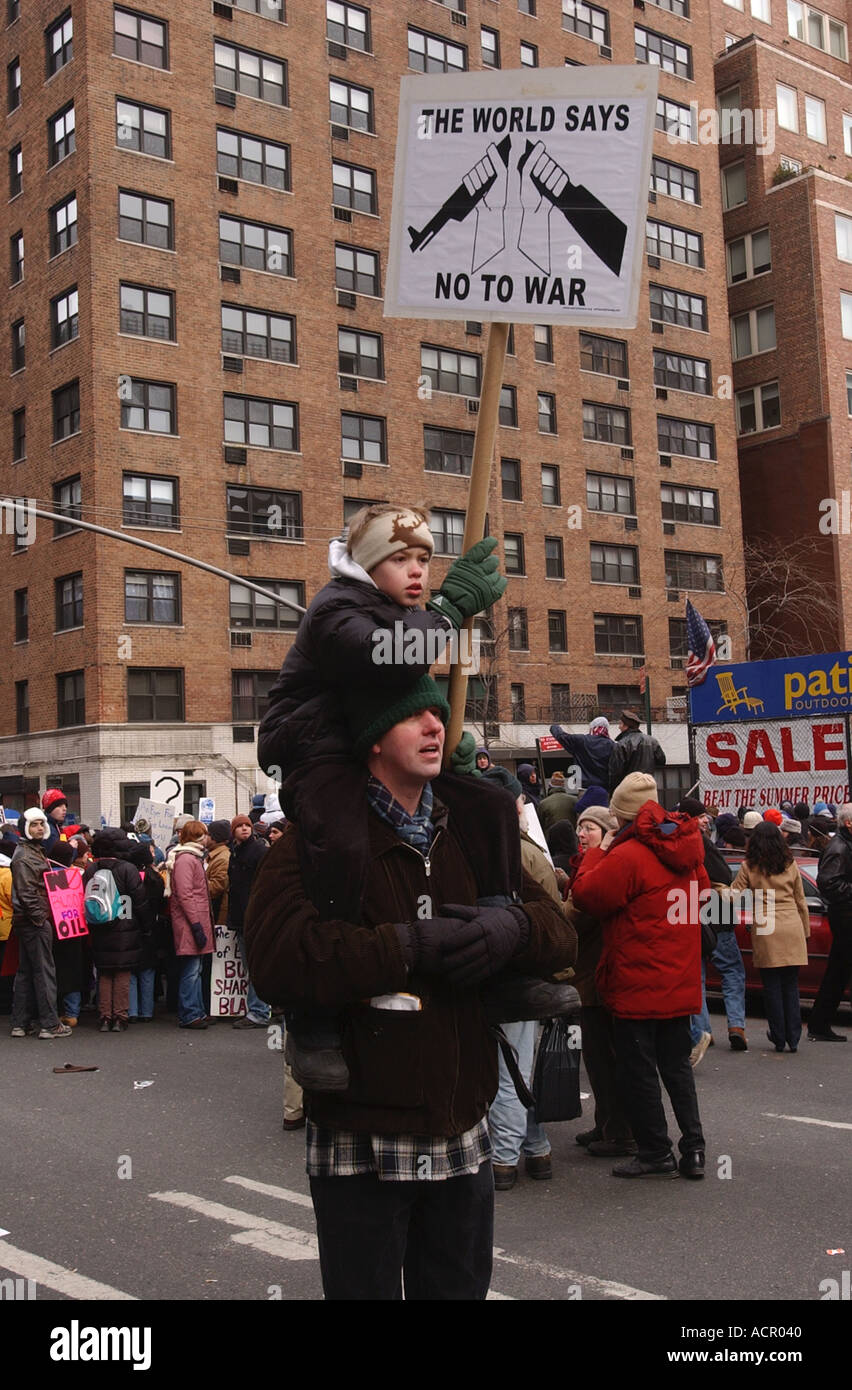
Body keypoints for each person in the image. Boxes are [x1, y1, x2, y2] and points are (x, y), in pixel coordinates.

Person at [245, 676, 574, 1300]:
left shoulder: (475, 828)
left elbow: (561, 935)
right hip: (361, 1135)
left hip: (462, 1124)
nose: (434, 726)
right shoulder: (314, 844)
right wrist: (406, 946)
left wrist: (512, 928)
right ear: (371, 738)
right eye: (411, 716)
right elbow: (277, 959)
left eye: (436, 712)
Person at [256, 503, 506, 1086]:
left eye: (424, 558)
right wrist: (448, 611)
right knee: (340, 842)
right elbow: (389, 657)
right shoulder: (336, 606)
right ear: (369, 565)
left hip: (373, 741)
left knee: (489, 804)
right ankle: (312, 1019)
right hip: (319, 748)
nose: (417, 571)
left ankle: (500, 944)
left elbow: (409, 683)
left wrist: (444, 737)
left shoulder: (398, 610)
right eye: (400, 558)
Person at [571, 773, 707, 1180]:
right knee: (677, 1068)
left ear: (622, 815)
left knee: (639, 1070)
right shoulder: (688, 851)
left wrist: (597, 853)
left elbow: (587, 897)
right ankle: (694, 1149)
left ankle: (655, 1151)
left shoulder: (629, 856)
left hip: (636, 982)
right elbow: (699, 900)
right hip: (678, 979)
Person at [489, 778, 578, 1192]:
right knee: (521, 1068)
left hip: (513, 975)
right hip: (530, 974)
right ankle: (537, 1149)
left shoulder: (504, 851)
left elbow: (548, 919)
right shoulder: (527, 849)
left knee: (509, 1072)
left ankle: (504, 1160)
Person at [563, 804, 636, 1159]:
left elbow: (577, 915)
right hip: (589, 975)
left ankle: (620, 1132)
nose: (581, 834)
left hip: (598, 978)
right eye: (579, 827)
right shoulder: (586, 867)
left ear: (607, 834)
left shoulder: (602, 870)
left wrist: (562, 901)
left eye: (589, 828)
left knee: (605, 1058)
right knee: (596, 1059)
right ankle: (605, 1122)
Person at [728, 822, 809, 1053]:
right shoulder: (790, 864)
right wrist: (805, 931)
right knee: (791, 986)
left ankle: (779, 1036)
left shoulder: (749, 866)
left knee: (772, 986)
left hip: (766, 927)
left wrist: (714, 892)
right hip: (791, 924)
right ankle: (794, 1038)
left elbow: (734, 895)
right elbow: (801, 900)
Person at [677, 797, 748, 1061]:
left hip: (689, 914)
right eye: (701, 816)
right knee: (731, 970)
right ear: (690, 819)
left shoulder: (674, 842)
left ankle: (703, 1030)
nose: (706, 819)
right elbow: (722, 875)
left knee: (699, 977)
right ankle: (736, 1025)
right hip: (715, 914)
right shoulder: (701, 843)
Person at [9, 808, 71, 1039]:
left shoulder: (30, 852)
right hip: (33, 920)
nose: (39, 828)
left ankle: (21, 1023)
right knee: (44, 972)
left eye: (41, 824)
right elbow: (27, 894)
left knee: (26, 971)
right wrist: (40, 918)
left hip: (28, 920)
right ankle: (49, 1024)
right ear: (25, 827)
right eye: (34, 824)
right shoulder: (25, 856)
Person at [83, 828, 149, 1032]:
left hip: (99, 925)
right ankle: (120, 1017)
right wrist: (145, 926)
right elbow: (139, 901)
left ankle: (104, 1017)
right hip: (125, 925)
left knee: (104, 972)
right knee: (122, 972)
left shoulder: (90, 870)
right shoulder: (127, 869)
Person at [810, 803, 852, 1041]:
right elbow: (829, 883)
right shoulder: (838, 848)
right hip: (845, 915)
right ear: (848, 823)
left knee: (838, 971)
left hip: (846, 914)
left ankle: (819, 1022)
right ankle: (819, 1023)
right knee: (839, 971)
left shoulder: (844, 845)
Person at [169, 820, 215, 1030]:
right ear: (199, 836)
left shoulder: (189, 858)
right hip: (191, 922)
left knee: (194, 969)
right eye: (205, 834)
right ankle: (190, 1013)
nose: (207, 838)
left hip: (192, 921)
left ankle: (195, 1011)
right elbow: (186, 895)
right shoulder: (187, 859)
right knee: (191, 970)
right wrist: (196, 925)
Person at [226, 815, 271, 1028]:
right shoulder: (236, 852)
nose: (244, 829)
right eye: (240, 826)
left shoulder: (258, 851)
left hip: (253, 917)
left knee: (254, 966)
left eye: (247, 826)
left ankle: (259, 1011)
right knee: (250, 966)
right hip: (242, 917)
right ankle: (259, 1008)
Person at [606, 710, 666, 792]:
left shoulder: (622, 744)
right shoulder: (652, 741)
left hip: (629, 791)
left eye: (620, 723)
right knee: (649, 805)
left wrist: (613, 792)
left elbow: (615, 772)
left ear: (626, 725)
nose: (619, 727)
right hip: (648, 789)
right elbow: (661, 761)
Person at [549, 717, 615, 790]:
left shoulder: (581, 741)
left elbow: (561, 736)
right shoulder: (613, 746)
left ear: (592, 728)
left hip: (584, 788)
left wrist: (555, 726)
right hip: (604, 789)